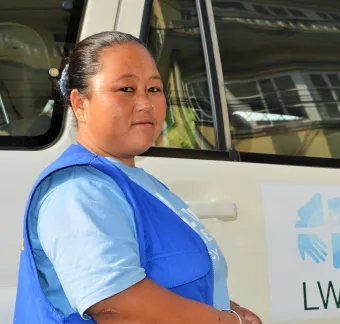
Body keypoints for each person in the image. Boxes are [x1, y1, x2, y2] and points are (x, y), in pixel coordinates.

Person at [13, 31, 262, 324]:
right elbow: (115, 305)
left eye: (154, 89)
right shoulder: (78, 190)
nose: (145, 103)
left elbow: (165, 284)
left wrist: (226, 307)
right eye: (126, 90)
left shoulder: (134, 183)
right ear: (80, 104)